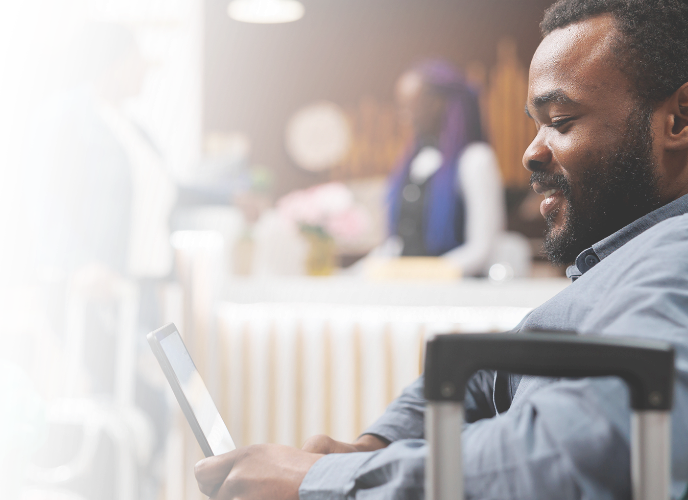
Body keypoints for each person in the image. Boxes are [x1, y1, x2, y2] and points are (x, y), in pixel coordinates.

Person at [193, 0, 688, 498]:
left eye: (560, 121)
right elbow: (488, 373)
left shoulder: (675, 259)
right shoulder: (620, 264)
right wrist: (372, 448)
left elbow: (585, 451)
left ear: (679, 120)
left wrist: (318, 481)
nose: (531, 152)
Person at [22, 21, 261, 467]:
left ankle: (139, 487)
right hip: (96, 289)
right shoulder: (63, 112)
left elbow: (171, 188)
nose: (145, 73)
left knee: (162, 403)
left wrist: (231, 200)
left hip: (140, 292)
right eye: (137, 62)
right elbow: (44, 196)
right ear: (111, 64)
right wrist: (78, 264)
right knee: (145, 402)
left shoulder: (134, 130)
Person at [368, 58, 505, 277]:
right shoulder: (415, 162)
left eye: (409, 107)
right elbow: (398, 245)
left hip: (452, 297)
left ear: (437, 104)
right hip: (408, 291)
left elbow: (481, 249)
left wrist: (422, 275)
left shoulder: (475, 160)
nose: (403, 118)